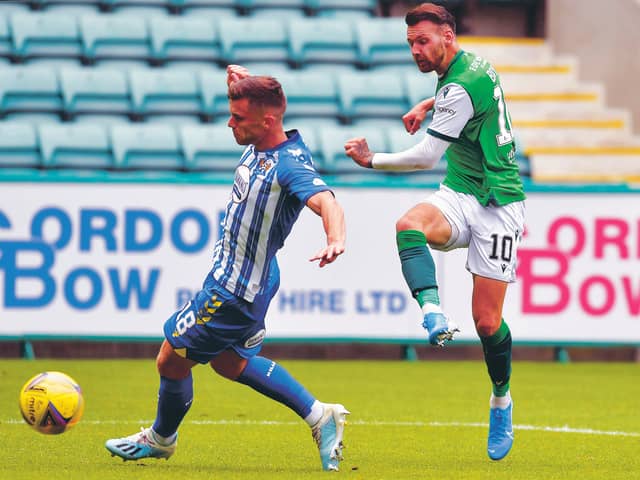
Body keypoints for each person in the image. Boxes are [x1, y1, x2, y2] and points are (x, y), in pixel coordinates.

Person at [106, 66, 349, 472]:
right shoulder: (263, 138)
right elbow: (257, 104)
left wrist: (335, 238)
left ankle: (161, 439)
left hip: (234, 291)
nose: (229, 123)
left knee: (170, 360)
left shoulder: (287, 165)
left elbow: (327, 201)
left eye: (237, 117)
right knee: (228, 362)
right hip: (253, 278)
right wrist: (240, 83)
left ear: (267, 120)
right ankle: (319, 416)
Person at [344, 2, 525, 462]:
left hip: (498, 203)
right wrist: (430, 102)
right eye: (410, 44)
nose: (416, 51)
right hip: (461, 191)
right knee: (408, 225)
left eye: (423, 41)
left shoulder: (460, 84)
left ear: (447, 35)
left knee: (487, 323)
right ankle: (432, 314)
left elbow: (425, 157)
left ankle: (501, 398)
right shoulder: (468, 66)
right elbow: (466, 96)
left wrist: (372, 161)